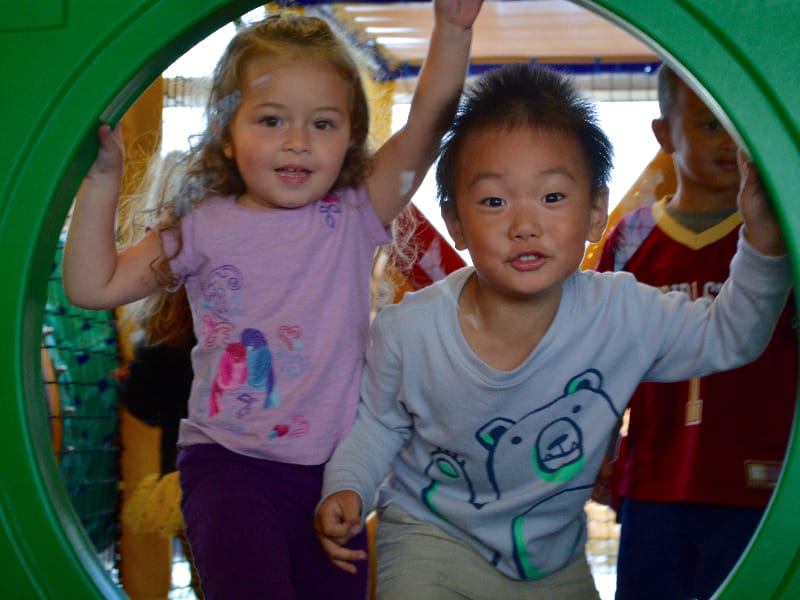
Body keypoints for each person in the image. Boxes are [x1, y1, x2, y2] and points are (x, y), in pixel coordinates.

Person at [313, 63, 790, 600]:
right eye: (494, 201)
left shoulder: (621, 315)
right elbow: (378, 424)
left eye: (553, 197)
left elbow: (731, 336)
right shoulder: (411, 329)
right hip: (431, 541)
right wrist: (348, 487)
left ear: (595, 212)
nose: (525, 225)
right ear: (456, 223)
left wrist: (764, 243)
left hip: (551, 562)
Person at [63, 2, 483, 598]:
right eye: (270, 120)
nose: (297, 142)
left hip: (336, 474)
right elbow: (93, 286)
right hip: (228, 465)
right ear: (226, 135)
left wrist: (454, 30)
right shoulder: (203, 224)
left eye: (322, 123)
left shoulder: (355, 212)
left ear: (350, 138)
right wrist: (101, 181)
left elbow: (428, 125)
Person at [593, 65, 797, 600]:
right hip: (653, 483)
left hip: (761, 487)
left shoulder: (782, 233)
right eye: (710, 125)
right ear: (664, 134)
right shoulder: (631, 237)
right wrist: (599, 449)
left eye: (741, 124)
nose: (732, 141)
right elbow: (600, 355)